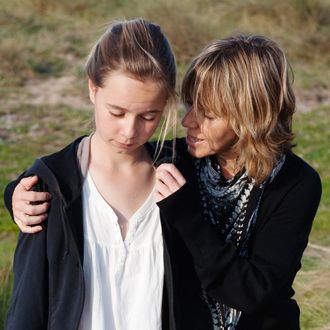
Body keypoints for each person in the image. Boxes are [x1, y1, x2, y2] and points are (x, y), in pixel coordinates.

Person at [5, 35, 322, 329]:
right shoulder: (177, 158)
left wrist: (186, 216)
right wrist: (17, 192)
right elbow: (99, 157)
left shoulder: (296, 184)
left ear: (251, 118)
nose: (188, 121)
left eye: (208, 115)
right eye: (189, 105)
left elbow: (254, 293)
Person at [4, 18, 178, 330]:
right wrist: (12, 193)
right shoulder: (49, 187)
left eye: (149, 116)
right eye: (117, 112)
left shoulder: (180, 177)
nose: (130, 131)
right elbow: (27, 307)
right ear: (92, 88)